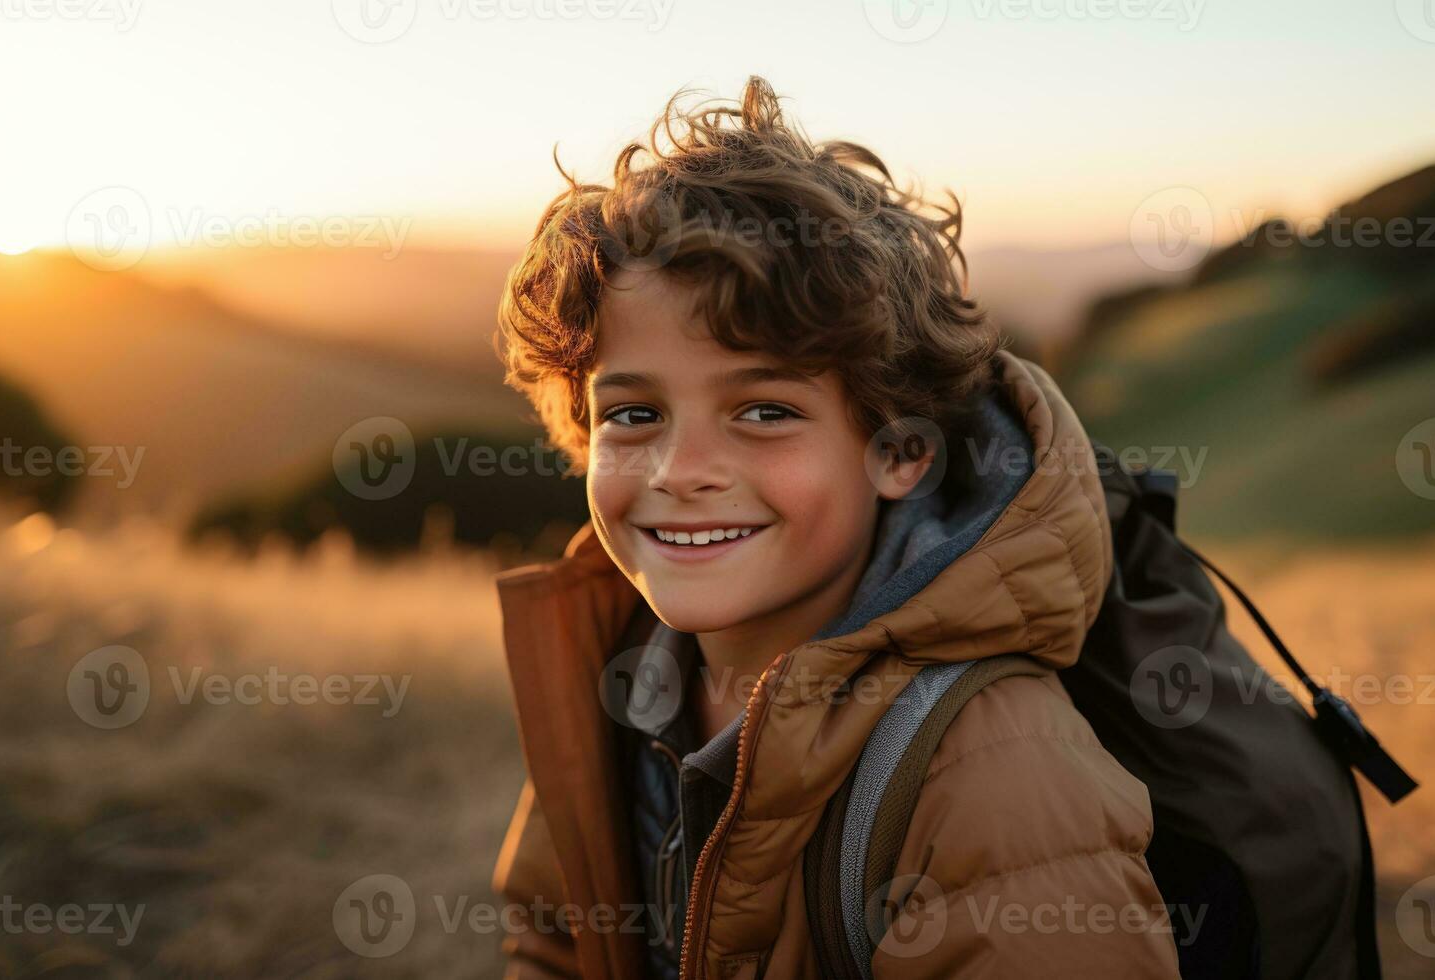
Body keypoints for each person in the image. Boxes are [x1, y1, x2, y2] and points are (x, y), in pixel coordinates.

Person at [489, 75, 1182, 980]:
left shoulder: (999, 777)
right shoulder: (621, 672)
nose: (680, 469)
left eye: (766, 411)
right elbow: (552, 940)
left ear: (901, 452)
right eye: (632, 416)